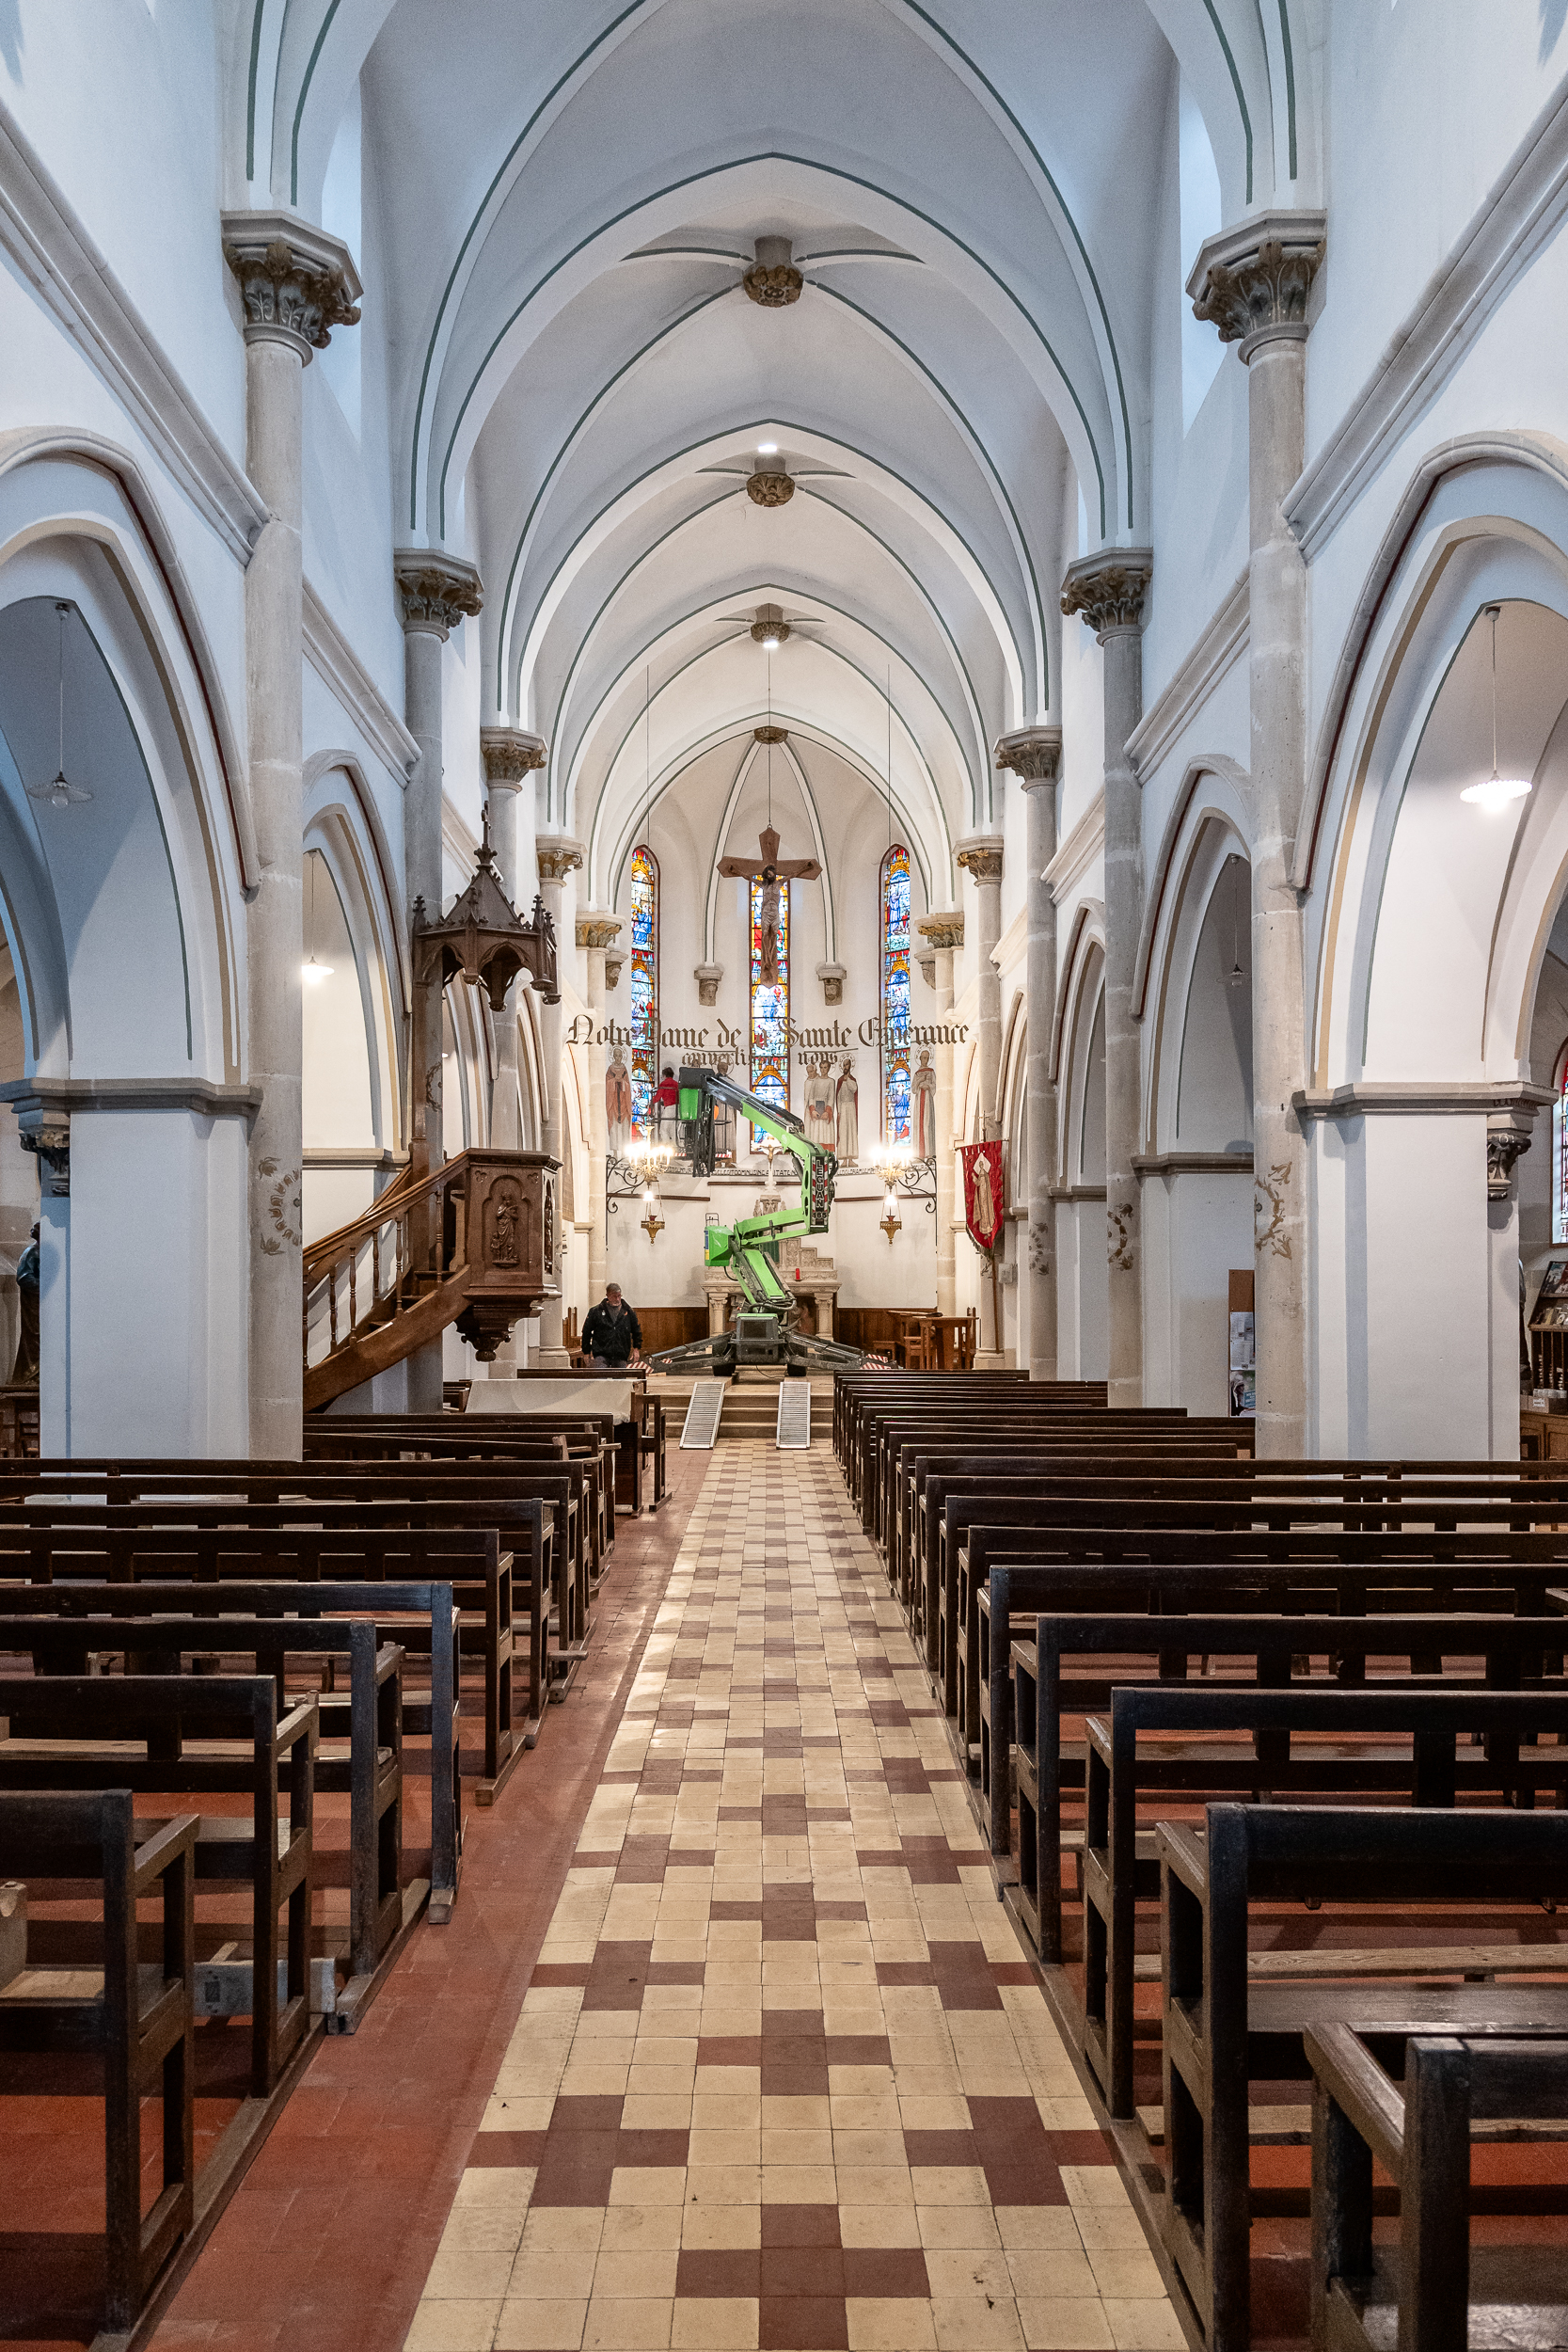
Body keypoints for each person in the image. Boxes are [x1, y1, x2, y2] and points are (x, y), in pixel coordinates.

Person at [581, 1280, 641, 1367]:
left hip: (621, 1353)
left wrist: (636, 1349)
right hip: (601, 1353)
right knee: (600, 1379)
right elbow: (586, 1332)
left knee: (620, 1380)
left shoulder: (628, 1311)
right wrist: (586, 1352)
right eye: (614, 1296)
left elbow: (636, 1331)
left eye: (619, 1296)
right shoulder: (595, 1311)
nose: (617, 1299)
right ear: (608, 1296)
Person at [12, 1221, 38, 1385]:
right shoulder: (32, 1252)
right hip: (34, 1305)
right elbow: (23, 1277)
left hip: (45, 1305)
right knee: (35, 1337)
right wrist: (44, 1286)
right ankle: (31, 1375)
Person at [651, 1064, 680, 1137]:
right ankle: (675, 1147)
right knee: (673, 1130)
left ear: (664, 1075)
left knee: (663, 1130)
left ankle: (666, 1147)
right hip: (678, 1108)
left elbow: (657, 1097)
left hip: (669, 1108)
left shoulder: (663, 1084)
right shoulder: (677, 1084)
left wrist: (650, 1103)